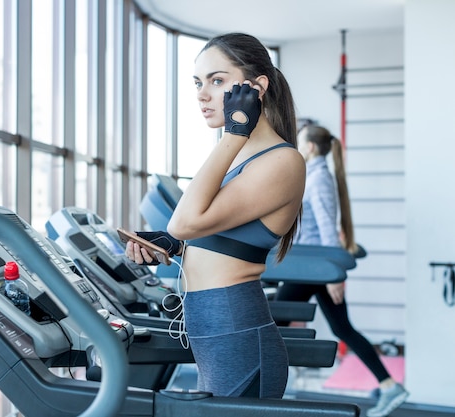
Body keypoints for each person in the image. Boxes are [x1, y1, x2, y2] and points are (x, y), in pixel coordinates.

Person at [125, 32, 305, 399]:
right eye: (198, 83)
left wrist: (234, 132)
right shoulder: (238, 157)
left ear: (256, 88)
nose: (202, 95)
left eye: (217, 81)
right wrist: (177, 245)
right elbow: (194, 227)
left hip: (235, 325)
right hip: (214, 325)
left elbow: (183, 220)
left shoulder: (283, 161)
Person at [273, 124, 409, 417]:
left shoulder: (319, 178)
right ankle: (388, 384)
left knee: (271, 318)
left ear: (309, 147)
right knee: (340, 327)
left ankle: (270, 386)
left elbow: (326, 229)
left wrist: (334, 274)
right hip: (312, 266)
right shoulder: (315, 175)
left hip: (313, 268)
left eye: (301, 138)